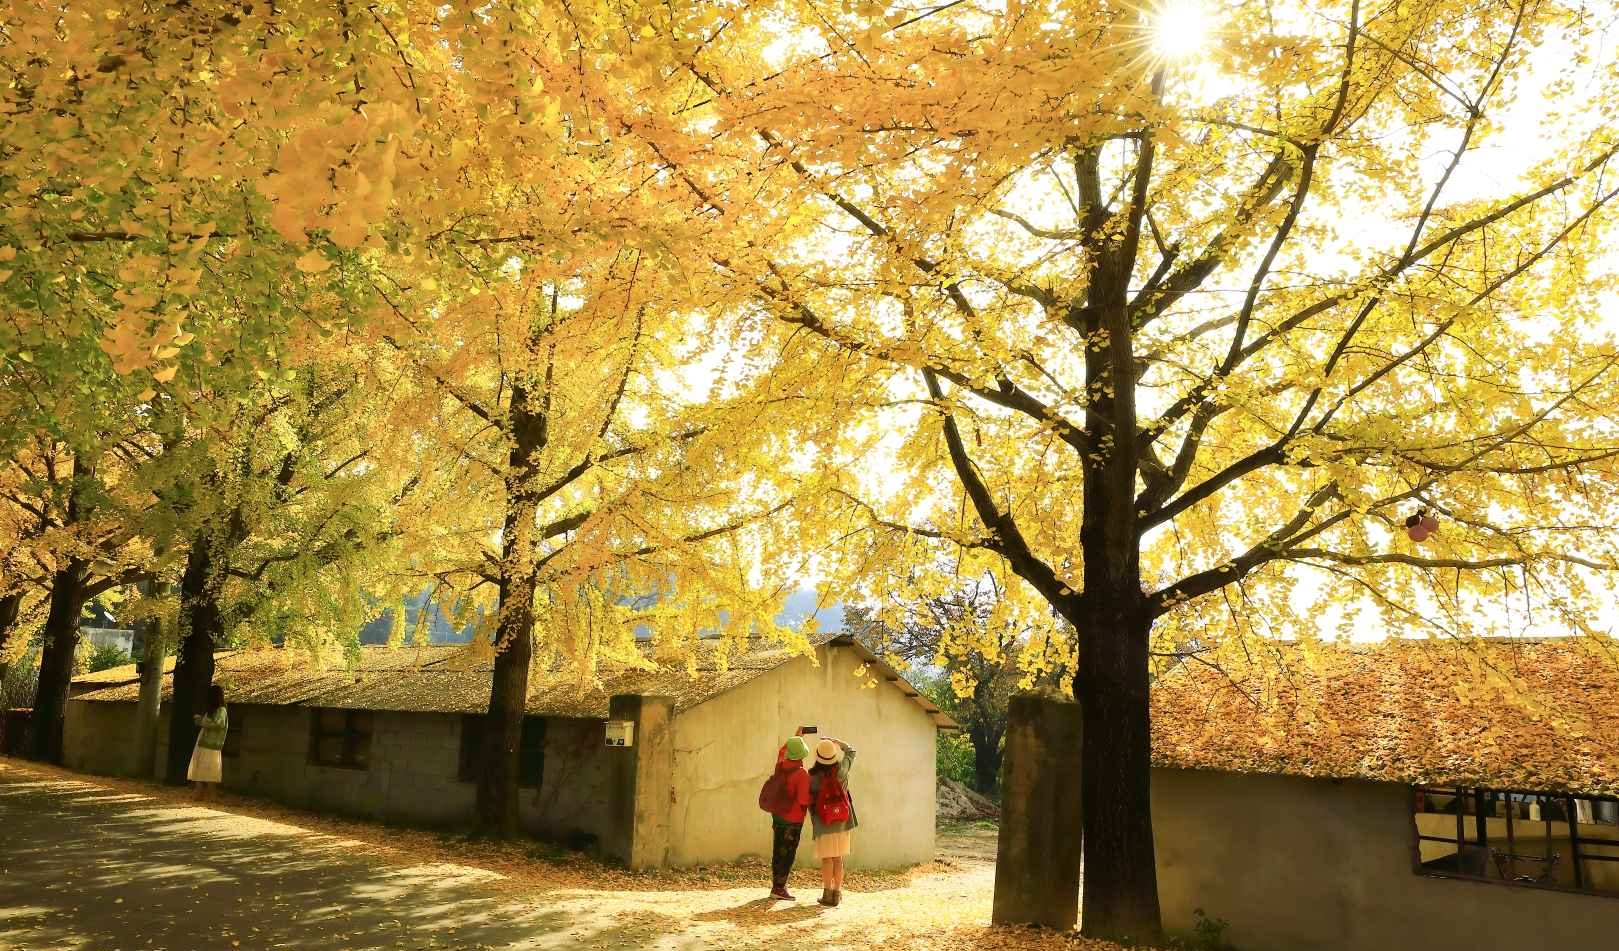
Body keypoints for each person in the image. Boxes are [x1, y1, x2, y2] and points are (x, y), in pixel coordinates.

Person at [808, 736, 856, 907]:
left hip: (823, 823)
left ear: (818, 756)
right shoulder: (842, 771)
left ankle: (827, 894)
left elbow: (810, 801)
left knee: (827, 859)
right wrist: (837, 742)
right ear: (833, 755)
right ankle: (837, 894)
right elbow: (851, 752)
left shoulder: (813, 776)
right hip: (842, 821)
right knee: (838, 858)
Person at [766, 732, 813, 900]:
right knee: (788, 854)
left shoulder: (780, 766)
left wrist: (795, 737)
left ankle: (776, 886)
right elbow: (803, 800)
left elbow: (781, 751)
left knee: (777, 850)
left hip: (777, 816)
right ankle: (779, 888)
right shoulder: (802, 774)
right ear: (802, 754)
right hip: (793, 820)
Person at [188, 684, 228, 800]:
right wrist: (200, 720)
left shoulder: (221, 710)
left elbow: (218, 724)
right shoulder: (213, 710)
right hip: (204, 742)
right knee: (200, 767)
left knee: (210, 769)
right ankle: (199, 792)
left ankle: (212, 794)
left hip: (211, 745)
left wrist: (202, 720)